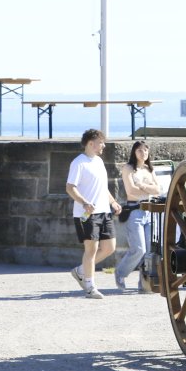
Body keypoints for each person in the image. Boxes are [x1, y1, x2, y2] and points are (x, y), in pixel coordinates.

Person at [65, 128, 119, 299]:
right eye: (100, 143)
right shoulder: (78, 163)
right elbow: (70, 187)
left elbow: (102, 188)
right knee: (91, 250)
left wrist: (113, 202)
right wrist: (84, 202)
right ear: (90, 143)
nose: (103, 145)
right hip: (86, 214)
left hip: (104, 212)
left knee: (110, 248)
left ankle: (81, 271)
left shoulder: (99, 162)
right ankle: (90, 286)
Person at [114, 140, 158, 293]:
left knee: (149, 251)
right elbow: (131, 191)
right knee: (139, 248)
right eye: (139, 150)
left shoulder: (149, 169)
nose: (143, 153)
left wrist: (142, 186)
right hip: (135, 211)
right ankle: (120, 273)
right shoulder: (128, 168)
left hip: (149, 211)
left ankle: (143, 282)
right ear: (134, 152)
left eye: (145, 150)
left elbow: (158, 190)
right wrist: (148, 189)